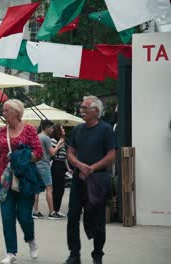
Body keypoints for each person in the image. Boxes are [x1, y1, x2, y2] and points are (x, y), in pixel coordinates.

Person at [0, 99, 43, 264]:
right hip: (5, 178)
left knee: (24, 216)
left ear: (16, 112)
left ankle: (31, 239)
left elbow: (39, 153)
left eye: (6, 110)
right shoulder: (2, 132)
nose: (3, 112)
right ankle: (11, 252)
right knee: (7, 216)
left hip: (24, 178)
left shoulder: (29, 129)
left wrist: (20, 156)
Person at [64, 96, 117, 264]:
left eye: (85, 107)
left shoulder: (106, 129)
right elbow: (70, 153)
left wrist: (92, 168)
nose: (82, 110)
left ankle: (97, 255)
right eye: (81, 107)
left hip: (98, 180)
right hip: (78, 180)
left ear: (96, 111)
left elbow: (111, 155)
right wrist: (80, 165)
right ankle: (74, 254)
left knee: (98, 219)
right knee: (72, 216)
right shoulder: (78, 129)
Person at [32, 119, 65, 220]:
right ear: (45, 128)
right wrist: (59, 144)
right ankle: (52, 212)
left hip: (36, 164)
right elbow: (52, 153)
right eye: (51, 127)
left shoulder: (37, 136)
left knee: (36, 190)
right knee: (49, 189)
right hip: (44, 165)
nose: (52, 129)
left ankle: (35, 211)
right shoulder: (46, 138)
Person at [51, 124, 72, 217]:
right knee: (56, 189)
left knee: (61, 189)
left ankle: (57, 209)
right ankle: (54, 210)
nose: (63, 129)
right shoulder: (53, 140)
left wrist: (68, 168)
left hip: (62, 166)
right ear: (58, 130)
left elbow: (65, 157)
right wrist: (59, 144)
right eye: (62, 128)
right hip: (55, 165)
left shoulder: (63, 141)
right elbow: (52, 153)